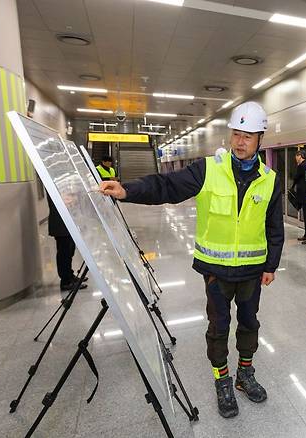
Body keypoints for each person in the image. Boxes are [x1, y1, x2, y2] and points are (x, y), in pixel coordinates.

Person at [99, 101, 284, 419]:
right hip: (215, 271)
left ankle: (245, 374)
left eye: (248, 136)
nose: (240, 141)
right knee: (218, 326)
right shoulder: (207, 169)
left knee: (250, 323)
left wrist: (271, 265)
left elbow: (274, 226)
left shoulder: (270, 179)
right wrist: (128, 190)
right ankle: (222, 379)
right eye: (236, 133)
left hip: (253, 271)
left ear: (260, 139)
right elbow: (166, 186)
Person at [46, 194, 87, 291]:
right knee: (64, 252)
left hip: (66, 222)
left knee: (69, 250)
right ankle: (66, 281)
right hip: (61, 223)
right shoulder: (52, 186)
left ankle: (69, 275)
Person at [291, 150, 306, 243]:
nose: (296, 159)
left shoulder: (302, 166)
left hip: (304, 195)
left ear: (300, 156)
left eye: (296, 156)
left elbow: (296, 177)